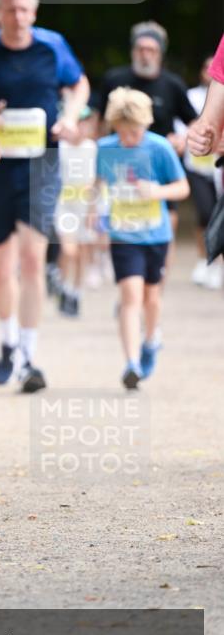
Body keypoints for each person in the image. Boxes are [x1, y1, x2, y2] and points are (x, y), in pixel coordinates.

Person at [0, 0, 89, 391]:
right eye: (11, 9)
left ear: (35, 11)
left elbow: (78, 84)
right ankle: (8, 341)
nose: (19, 17)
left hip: (41, 164)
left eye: (26, 9)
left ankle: (29, 356)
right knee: (0, 266)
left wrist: (71, 117)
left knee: (32, 259)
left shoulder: (52, 46)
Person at [95, 88, 189, 389]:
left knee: (151, 297)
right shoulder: (106, 148)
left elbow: (182, 188)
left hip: (156, 235)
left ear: (145, 125)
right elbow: (98, 186)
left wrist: (157, 191)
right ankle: (131, 362)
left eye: (133, 133)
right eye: (122, 133)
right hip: (123, 235)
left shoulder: (159, 148)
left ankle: (151, 342)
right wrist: (93, 212)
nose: (128, 139)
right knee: (130, 296)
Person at [96, 21, 196, 250]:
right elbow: (100, 121)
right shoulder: (114, 79)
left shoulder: (172, 84)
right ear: (133, 51)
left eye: (151, 50)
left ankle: (157, 279)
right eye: (140, 49)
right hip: (122, 164)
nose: (145, 55)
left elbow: (195, 122)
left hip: (161, 165)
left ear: (160, 53)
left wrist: (182, 139)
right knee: (123, 229)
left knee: (165, 229)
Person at [179, 57, 222, 288]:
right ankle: (203, 258)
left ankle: (217, 265)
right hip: (197, 166)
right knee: (205, 215)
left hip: (218, 168)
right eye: (206, 67)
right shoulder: (192, 96)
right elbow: (185, 126)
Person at [54, 107, 98, 317]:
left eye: (85, 122)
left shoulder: (92, 148)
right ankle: (63, 284)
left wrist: (93, 210)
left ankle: (76, 292)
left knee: (81, 253)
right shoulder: (60, 148)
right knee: (68, 250)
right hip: (64, 205)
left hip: (84, 206)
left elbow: (96, 182)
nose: (81, 126)